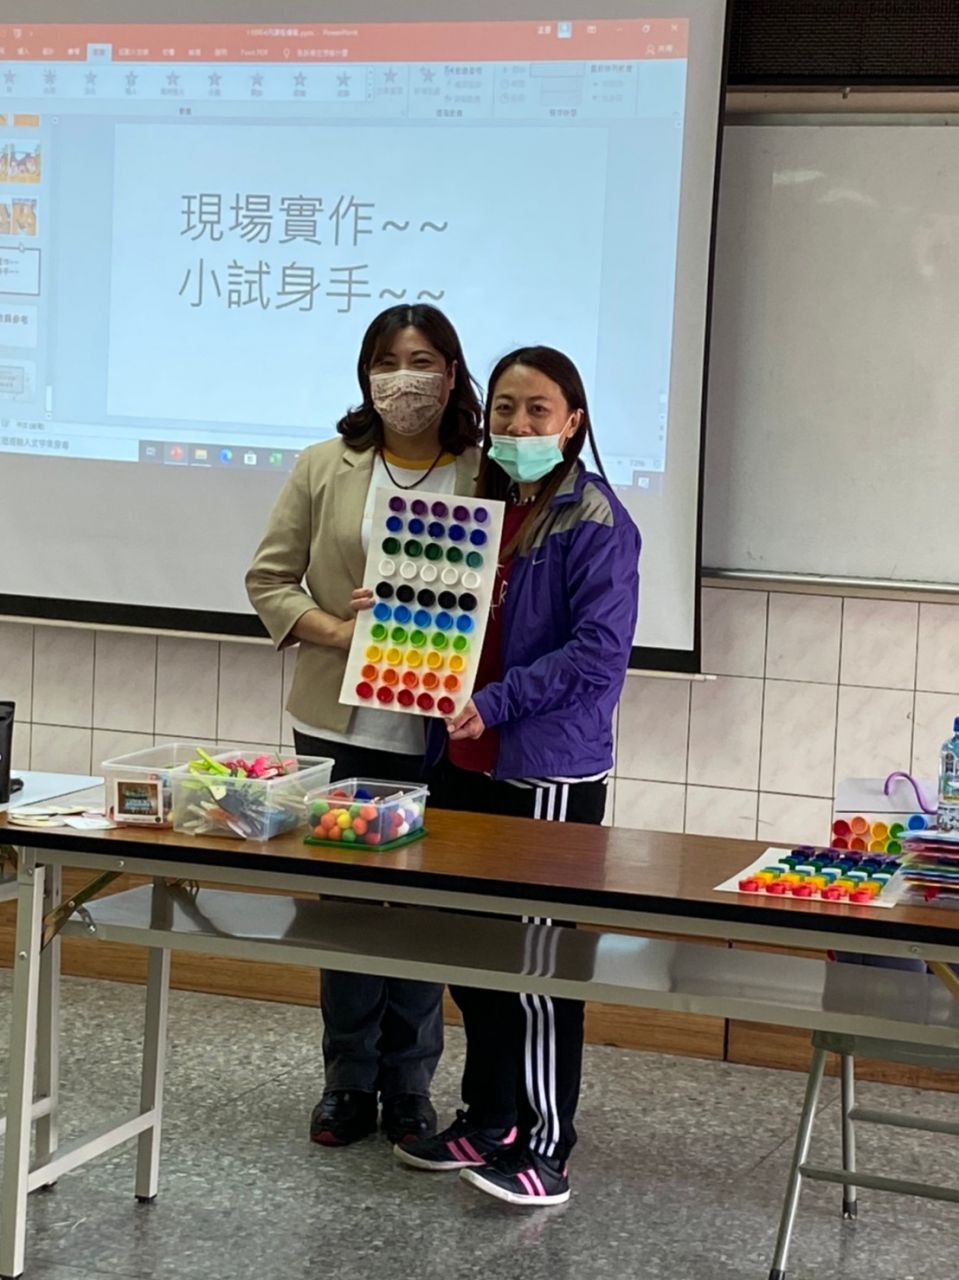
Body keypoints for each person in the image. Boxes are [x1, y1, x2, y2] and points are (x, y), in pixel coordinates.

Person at [395, 346, 640, 1205]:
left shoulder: (594, 519)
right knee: (473, 956)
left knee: (536, 967)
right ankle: (489, 1117)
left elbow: (598, 655)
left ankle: (544, 1145)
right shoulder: (479, 506)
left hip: (545, 770)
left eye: (538, 410)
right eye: (504, 408)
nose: (518, 424)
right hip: (463, 758)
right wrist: (393, 614)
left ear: (572, 422)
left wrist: (496, 703)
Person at [246, 304, 482, 1148]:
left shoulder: (483, 472)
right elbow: (269, 582)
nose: (402, 378)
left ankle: (410, 1082)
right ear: (365, 373)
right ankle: (347, 1080)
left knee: (420, 906)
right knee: (345, 905)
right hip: (338, 720)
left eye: (420, 360)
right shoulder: (326, 464)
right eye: (386, 361)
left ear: (450, 374)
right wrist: (338, 631)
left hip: (442, 728)